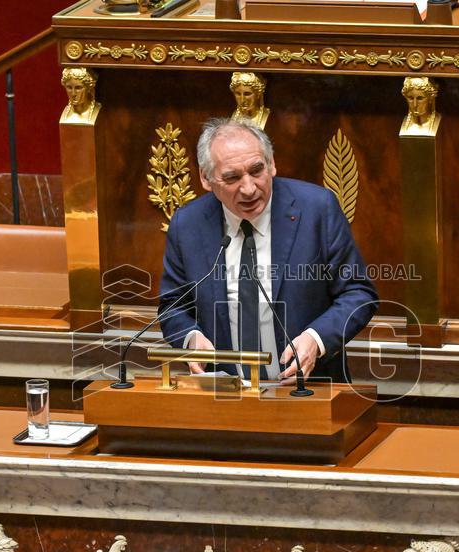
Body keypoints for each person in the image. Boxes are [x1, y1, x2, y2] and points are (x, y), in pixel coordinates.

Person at [158, 118, 378, 384]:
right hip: (225, 396)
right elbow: (173, 307)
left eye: (256, 170)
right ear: (206, 178)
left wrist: (316, 338)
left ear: (272, 164)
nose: (249, 188)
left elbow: (358, 293)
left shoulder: (317, 209)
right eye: (232, 177)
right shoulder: (188, 224)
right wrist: (190, 337)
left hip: (309, 391)